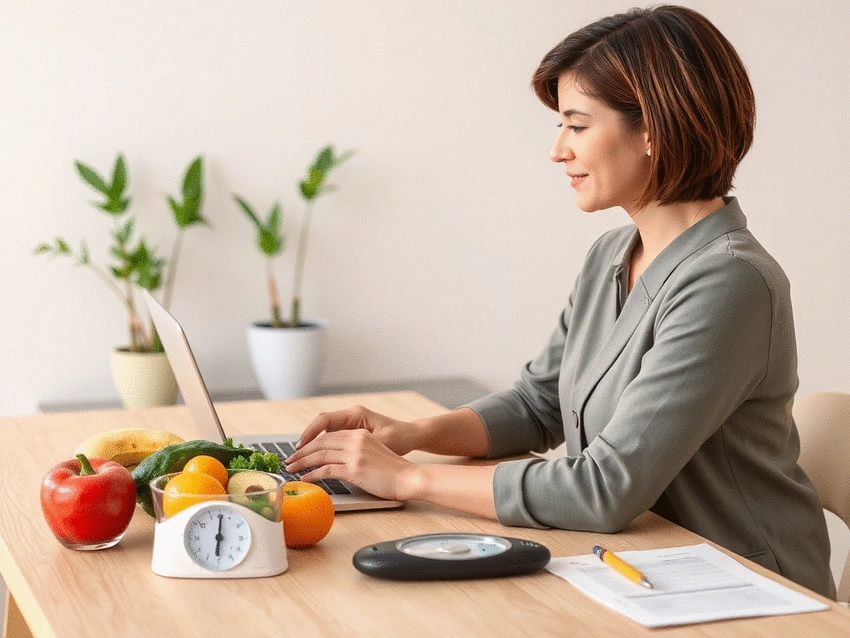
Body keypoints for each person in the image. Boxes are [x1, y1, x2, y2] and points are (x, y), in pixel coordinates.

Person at [285, 5, 835, 598]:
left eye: (576, 125)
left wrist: (409, 479)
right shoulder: (612, 256)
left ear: (652, 128)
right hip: (646, 567)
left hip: (752, 592)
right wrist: (412, 432)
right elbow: (539, 405)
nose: (558, 150)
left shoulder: (730, 281)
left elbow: (605, 489)